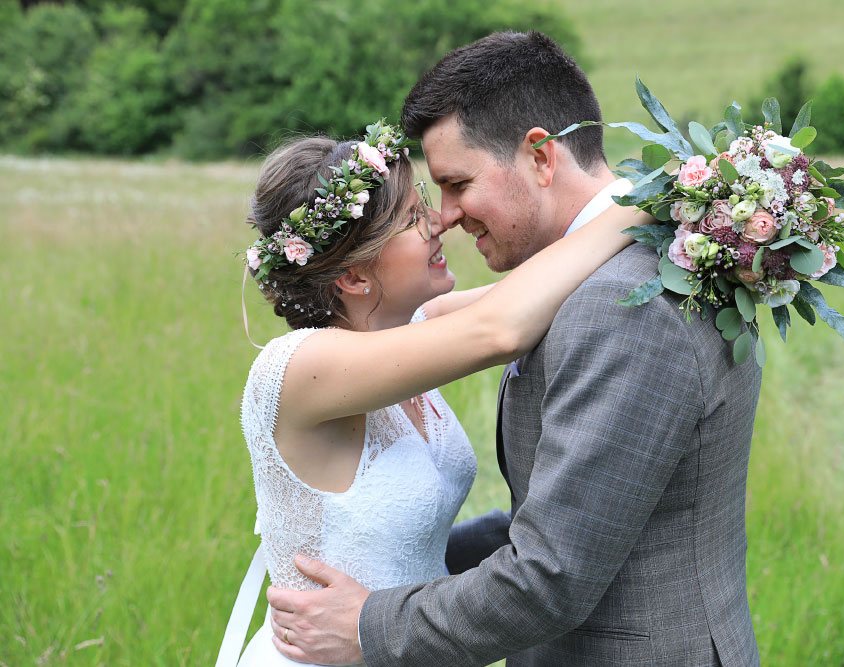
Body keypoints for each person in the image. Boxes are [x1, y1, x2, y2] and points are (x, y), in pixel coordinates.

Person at [267, 32, 763, 667]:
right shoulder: (613, 274)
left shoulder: (626, 309)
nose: (444, 217)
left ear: (541, 157)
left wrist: (371, 626)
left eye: (455, 183)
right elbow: (563, 509)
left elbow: (551, 574)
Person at [218, 118, 651, 667]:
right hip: (325, 654)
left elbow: (539, 289)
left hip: (393, 642)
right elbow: (501, 329)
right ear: (353, 279)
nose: (438, 223)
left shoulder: (410, 325)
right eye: (409, 219)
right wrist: (651, 199)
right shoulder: (303, 366)